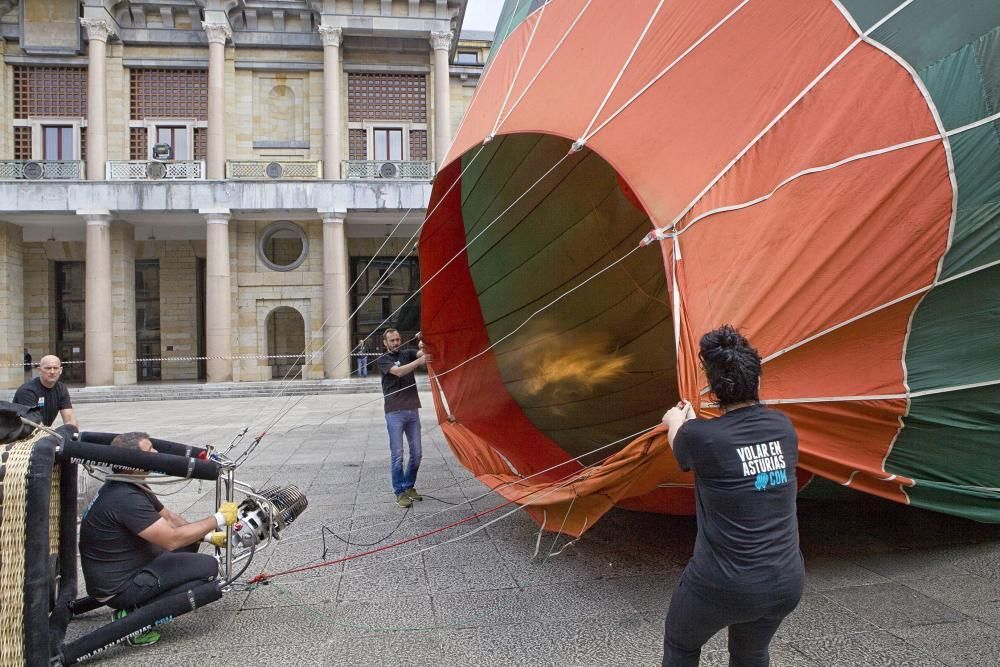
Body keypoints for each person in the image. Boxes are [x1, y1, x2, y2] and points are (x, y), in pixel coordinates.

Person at [661, 325, 804, 667]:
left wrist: (673, 420)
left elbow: (683, 441)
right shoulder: (784, 428)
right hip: (786, 580)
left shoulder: (701, 437)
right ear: (756, 379)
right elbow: (726, 441)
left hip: (722, 583)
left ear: (712, 388)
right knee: (751, 652)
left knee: (681, 645)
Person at [79, 432, 238, 646]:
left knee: (191, 541)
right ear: (131, 463)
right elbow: (171, 540)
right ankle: (134, 617)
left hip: (129, 566)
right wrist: (219, 518)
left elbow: (170, 518)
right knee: (209, 569)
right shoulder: (125, 497)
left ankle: (141, 604)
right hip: (119, 588)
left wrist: (208, 536)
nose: (156, 454)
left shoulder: (130, 483)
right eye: (149, 451)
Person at [377, 329, 430, 508]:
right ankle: (399, 492)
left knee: (417, 453)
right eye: (392, 340)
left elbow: (424, 353)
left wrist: (424, 341)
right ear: (385, 343)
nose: (396, 342)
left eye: (398, 339)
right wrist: (419, 362)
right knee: (397, 454)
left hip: (412, 410)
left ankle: (408, 486)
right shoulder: (384, 360)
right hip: (394, 412)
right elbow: (398, 372)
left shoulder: (407, 353)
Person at [13, 354, 78, 428]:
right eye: (48, 368)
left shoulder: (61, 388)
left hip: (44, 432)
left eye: (56, 368)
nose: (52, 372)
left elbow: (69, 419)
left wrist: (73, 434)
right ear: (39, 370)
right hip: (23, 435)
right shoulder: (27, 391)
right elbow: (35, 425)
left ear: (60, 371)